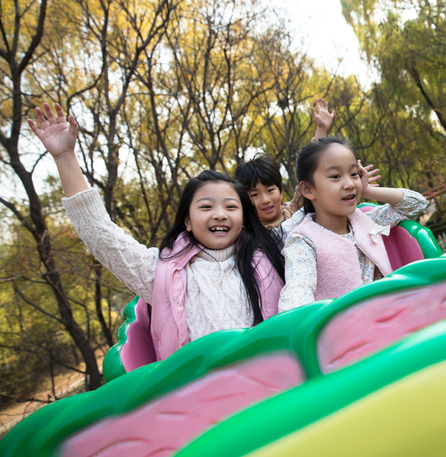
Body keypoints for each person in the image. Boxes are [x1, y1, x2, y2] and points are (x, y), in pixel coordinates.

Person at [28, 103, 285, 361]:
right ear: (187, 221)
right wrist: (65, 158)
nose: (219, 214)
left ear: (243, 217)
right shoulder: (160, 272)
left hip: (274, 385)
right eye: (206, 206)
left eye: (230, 206)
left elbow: (318, 211)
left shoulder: (272, 251)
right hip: (197, 393)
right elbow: (101, 236)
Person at [278, 137, 427, 312]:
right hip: (349, 332)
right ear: (308, 190)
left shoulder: (367, 221)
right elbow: (296, 304)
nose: (349, 184)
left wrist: (368, 190)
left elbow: (417, 203)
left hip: (393, 313)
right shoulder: (303, 242)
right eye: (335, 176)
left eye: (354, 174)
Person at [235, 98, 378, 246]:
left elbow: (312, 172)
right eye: (254, 195)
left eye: (270, 190)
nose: (265, 199)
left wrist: (321, 130)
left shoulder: (293, 213)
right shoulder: (246, 233)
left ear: (281, 191)